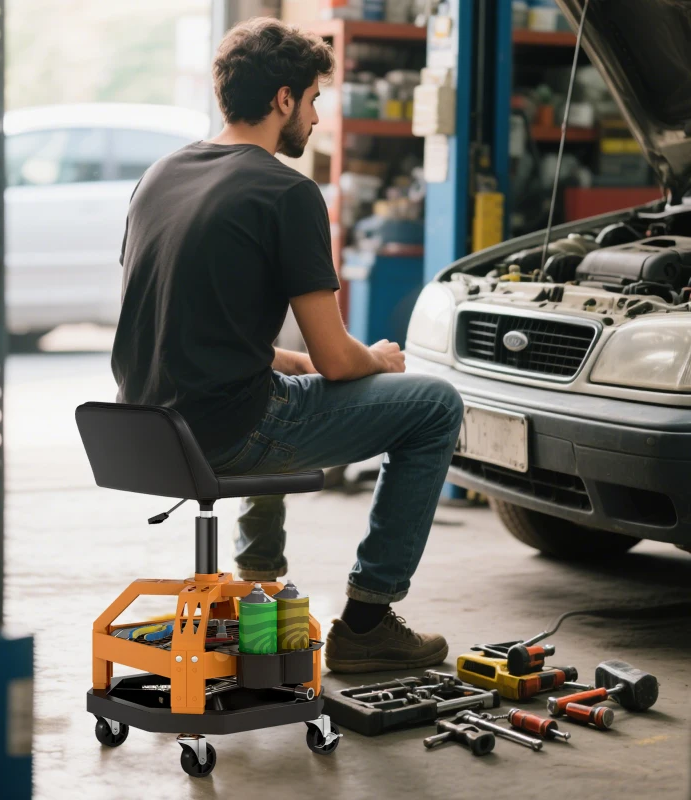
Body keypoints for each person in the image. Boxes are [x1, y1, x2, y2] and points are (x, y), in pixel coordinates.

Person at [111, 17, 464, 673]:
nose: (316, 117)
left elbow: (182, 320)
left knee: (279, 385)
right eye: (313, 100)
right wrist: (379, 362)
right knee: (436, 404)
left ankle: (260, 588)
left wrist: (288, 359)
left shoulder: (161, 174)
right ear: (282, 100)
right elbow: (338, 360)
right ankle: (369, 620)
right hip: (225, 429)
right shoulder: (287, 191)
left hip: (141, 428)